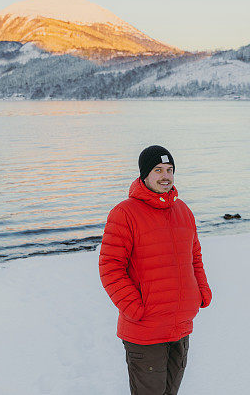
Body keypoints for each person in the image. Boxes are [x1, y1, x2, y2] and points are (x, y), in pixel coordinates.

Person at [99, 145, 212, 395]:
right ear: (144, 175)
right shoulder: (124, 213)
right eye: (158, 169)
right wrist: (135, 309)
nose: (165, 176)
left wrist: (201, 293)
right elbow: (110, 268)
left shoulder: (183, 211)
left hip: (180, 325)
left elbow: (194, 258)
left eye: (170, 170)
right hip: (145, 331)